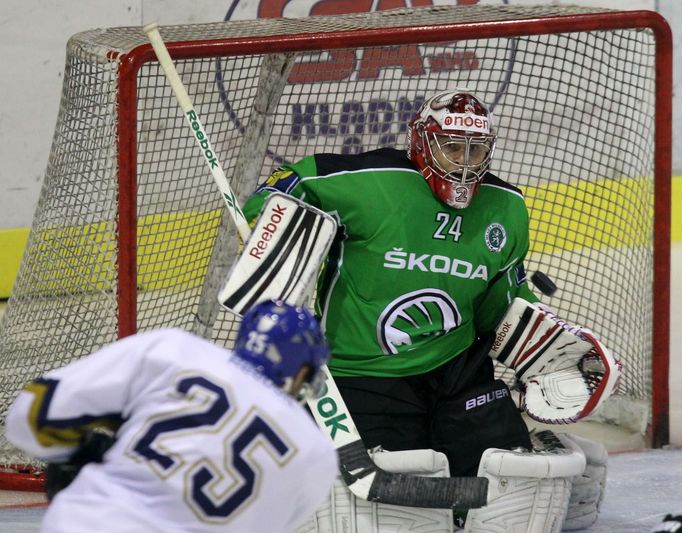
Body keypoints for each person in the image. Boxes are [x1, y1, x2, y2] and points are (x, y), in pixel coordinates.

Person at [243, 90, 621, 532]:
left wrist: (542, 345)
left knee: (507, 481)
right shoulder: (366, 181)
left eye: (476, 149)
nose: (464, 162)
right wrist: (270, 221)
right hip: (364, 374)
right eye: (453, 147)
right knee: (398, 502)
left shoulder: (506, 207)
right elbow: (285, 184)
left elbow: (501, 302)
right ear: (423, 142)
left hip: (458, 371)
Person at [5, 300, 338, 533]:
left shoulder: (175, 351)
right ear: (301, 370)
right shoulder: (315, 452)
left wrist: (82, 454)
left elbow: (31, 416)